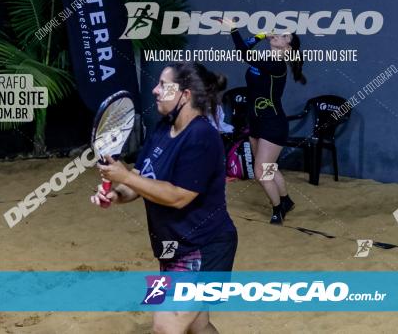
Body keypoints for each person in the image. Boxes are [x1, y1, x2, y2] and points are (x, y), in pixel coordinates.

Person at [94, 62, 237, 334]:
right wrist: (116, 194)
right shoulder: (162, 129)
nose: (155, 90)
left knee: (165, 326)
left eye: (163, 84)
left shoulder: (202, 136)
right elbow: (141, 177)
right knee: (198, 324)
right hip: (174, 246)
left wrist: (124, 177)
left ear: (184, 94)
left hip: (205, 246)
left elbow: (178, 197)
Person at [221, 17, 307, 224]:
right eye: (280, 32)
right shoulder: (265, 59)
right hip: (256, 122)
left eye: (285, 36)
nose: (278, 35)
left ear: (288, 46)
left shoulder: (277, 65)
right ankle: (286, 200)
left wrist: (233, 29)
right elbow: (245, 50)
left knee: (260, 171)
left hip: (273, 123)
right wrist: (261, 35)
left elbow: (243, 52)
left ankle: (278, 209)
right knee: (270, 167)